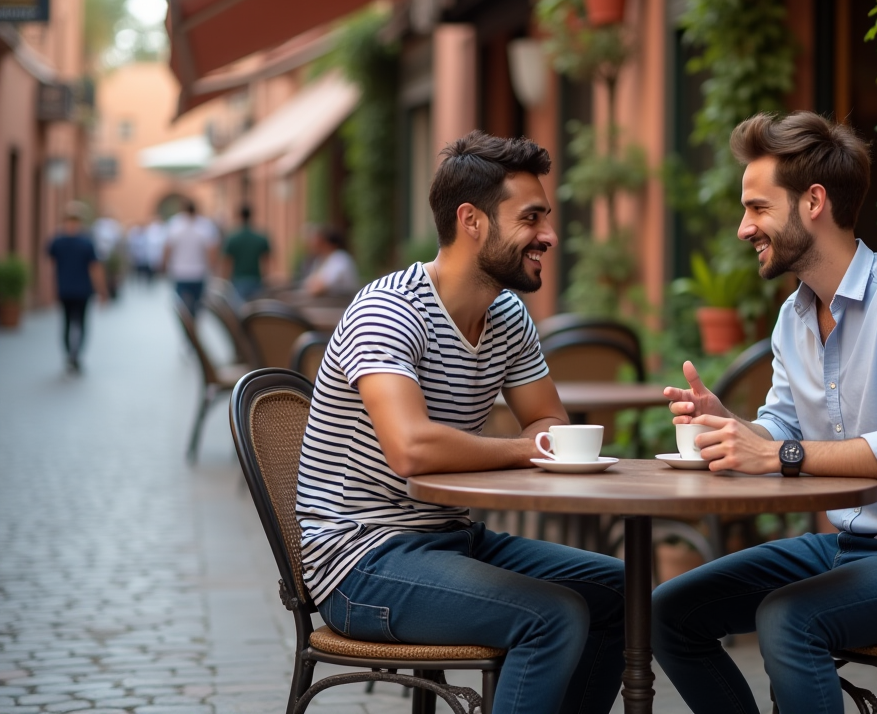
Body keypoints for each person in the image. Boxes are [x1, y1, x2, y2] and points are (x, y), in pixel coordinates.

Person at [651, 111, 877, 714]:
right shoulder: (794, 319)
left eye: (758, 208)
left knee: (788, 618)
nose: (745, 227)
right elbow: (782, 429)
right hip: (852, 548)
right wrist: (732, 427)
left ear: (813, 201)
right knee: (669, 611)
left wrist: (779, 454)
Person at [295, 132, 625, 714]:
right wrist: (525, 450)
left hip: (452, 540)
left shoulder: (506, 315)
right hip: (360, 561)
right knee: (552, 616)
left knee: (621, 594)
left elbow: (548, 420)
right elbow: (413, 449)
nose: (547, 235)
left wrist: (533, 441)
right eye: (530, 218)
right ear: (472, 221)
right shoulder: (388, 310)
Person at [46, 204, 107, 373]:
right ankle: (73, 356)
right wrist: (102, 291)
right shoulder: (83, 242)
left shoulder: (60, 241)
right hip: (75, 289)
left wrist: (101, 290)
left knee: (73, 323)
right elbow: (95, 268)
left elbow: (94, 268)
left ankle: (73, 356)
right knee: (74, 323)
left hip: (76, 289)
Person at [162, 201, 218, 316]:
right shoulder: (205, 225)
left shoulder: (175, 224)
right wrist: (212, 268)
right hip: (199, 272)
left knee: (182, 306)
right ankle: (193, 325)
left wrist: (164, 264)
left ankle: (188, 329)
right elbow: (211, 251)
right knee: (197, 305)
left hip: (180, 272)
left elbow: (167, 248)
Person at [222, 204, 271, 300]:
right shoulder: (260, 237)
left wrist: (226, 281)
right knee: (254, 311)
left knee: (240, 311)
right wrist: (265, 277)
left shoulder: (232, 238)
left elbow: (227, 262)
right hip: (256, 279)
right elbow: (267, 260)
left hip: (238, 279)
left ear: (239, 216)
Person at [301, 226, 358, 297]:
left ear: (331, 244)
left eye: (320, 242)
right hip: (328, 305)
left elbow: (318, 288)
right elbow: (308, 284)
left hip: (341, 305)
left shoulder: (340, 258)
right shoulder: (319, 260)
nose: (314, 245)